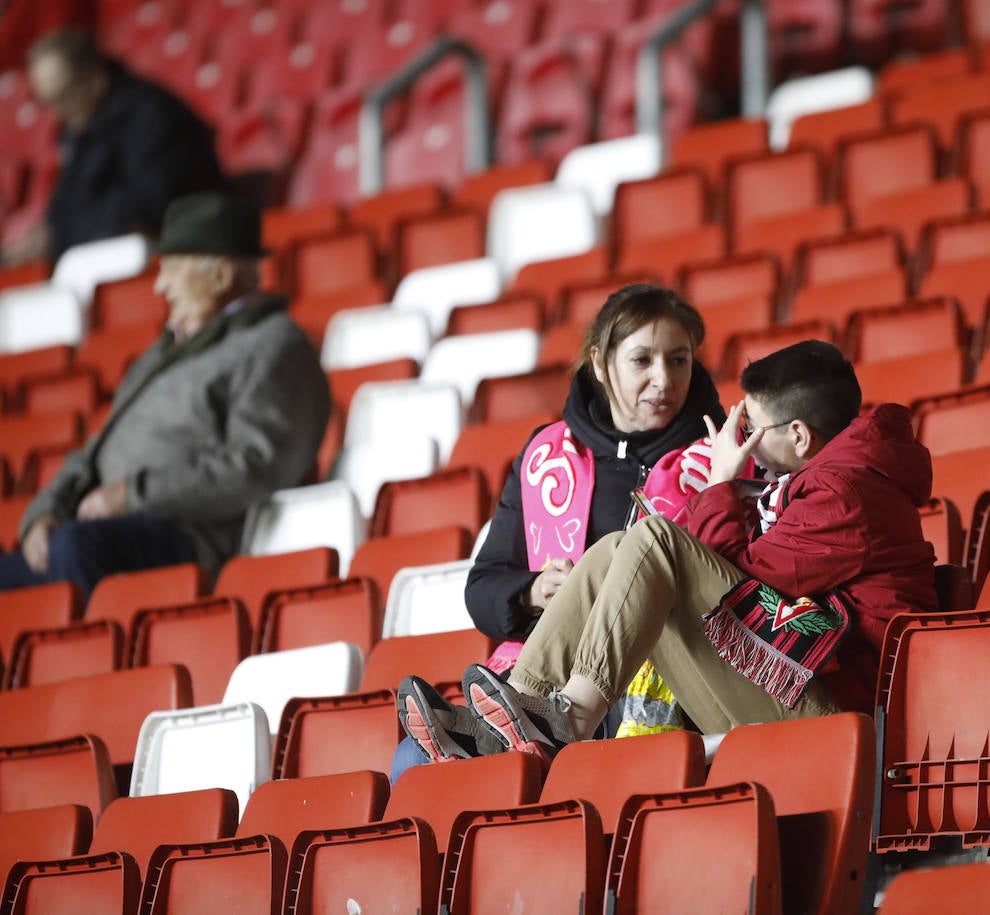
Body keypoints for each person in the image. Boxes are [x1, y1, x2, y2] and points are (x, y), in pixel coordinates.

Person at [398, 340, 939, 765]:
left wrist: (721, 486)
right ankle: (513, 715)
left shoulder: (846, 492)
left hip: (832, 718)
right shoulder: (828, 478)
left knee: (656, 539)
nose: (737, 437)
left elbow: (751, 586)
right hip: (790, 679)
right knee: (616, 548)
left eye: (749, 427)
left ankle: (572, 716)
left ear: (798, 435)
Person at [389, 283, 729, 774]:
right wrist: (532, 591)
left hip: (659, 679)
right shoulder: (547, 454)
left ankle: (518, 731)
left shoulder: (721, 454)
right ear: (600, 362)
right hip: (548, 666)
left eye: (678, 360)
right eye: (642, 360)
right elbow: (483, 588)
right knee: (410, 760)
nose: (663, 379)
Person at [0, 191, 331, 594]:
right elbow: (95, 449)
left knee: (76, 547)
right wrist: (45, 512)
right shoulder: (167, 348)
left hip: (189, 538)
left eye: (172, 269)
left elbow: (253, 465)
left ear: (221, 276)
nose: (160, 286)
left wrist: (132, 496)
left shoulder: (274, 344)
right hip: (107, 532)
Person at [3, 28, 224, 264]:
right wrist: (49, 235)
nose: (56, 112)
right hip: (106, 250)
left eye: (62, 96)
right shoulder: (79, 128)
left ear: (95, 78)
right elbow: (67, 202)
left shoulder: (150, 113)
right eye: (47, 101)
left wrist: (61, 236)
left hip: (186, 248)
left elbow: (148, 206)